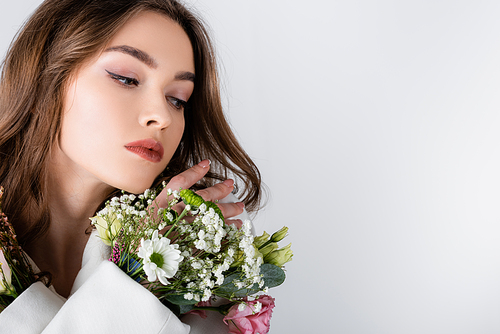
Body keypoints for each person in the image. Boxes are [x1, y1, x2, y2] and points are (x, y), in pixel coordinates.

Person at [0, 0, 263, 332]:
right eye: (126, 78)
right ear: (45, 76)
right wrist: (131, 280)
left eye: (178, 98)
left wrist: (148, 265)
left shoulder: (204, 261)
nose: (163, 117)